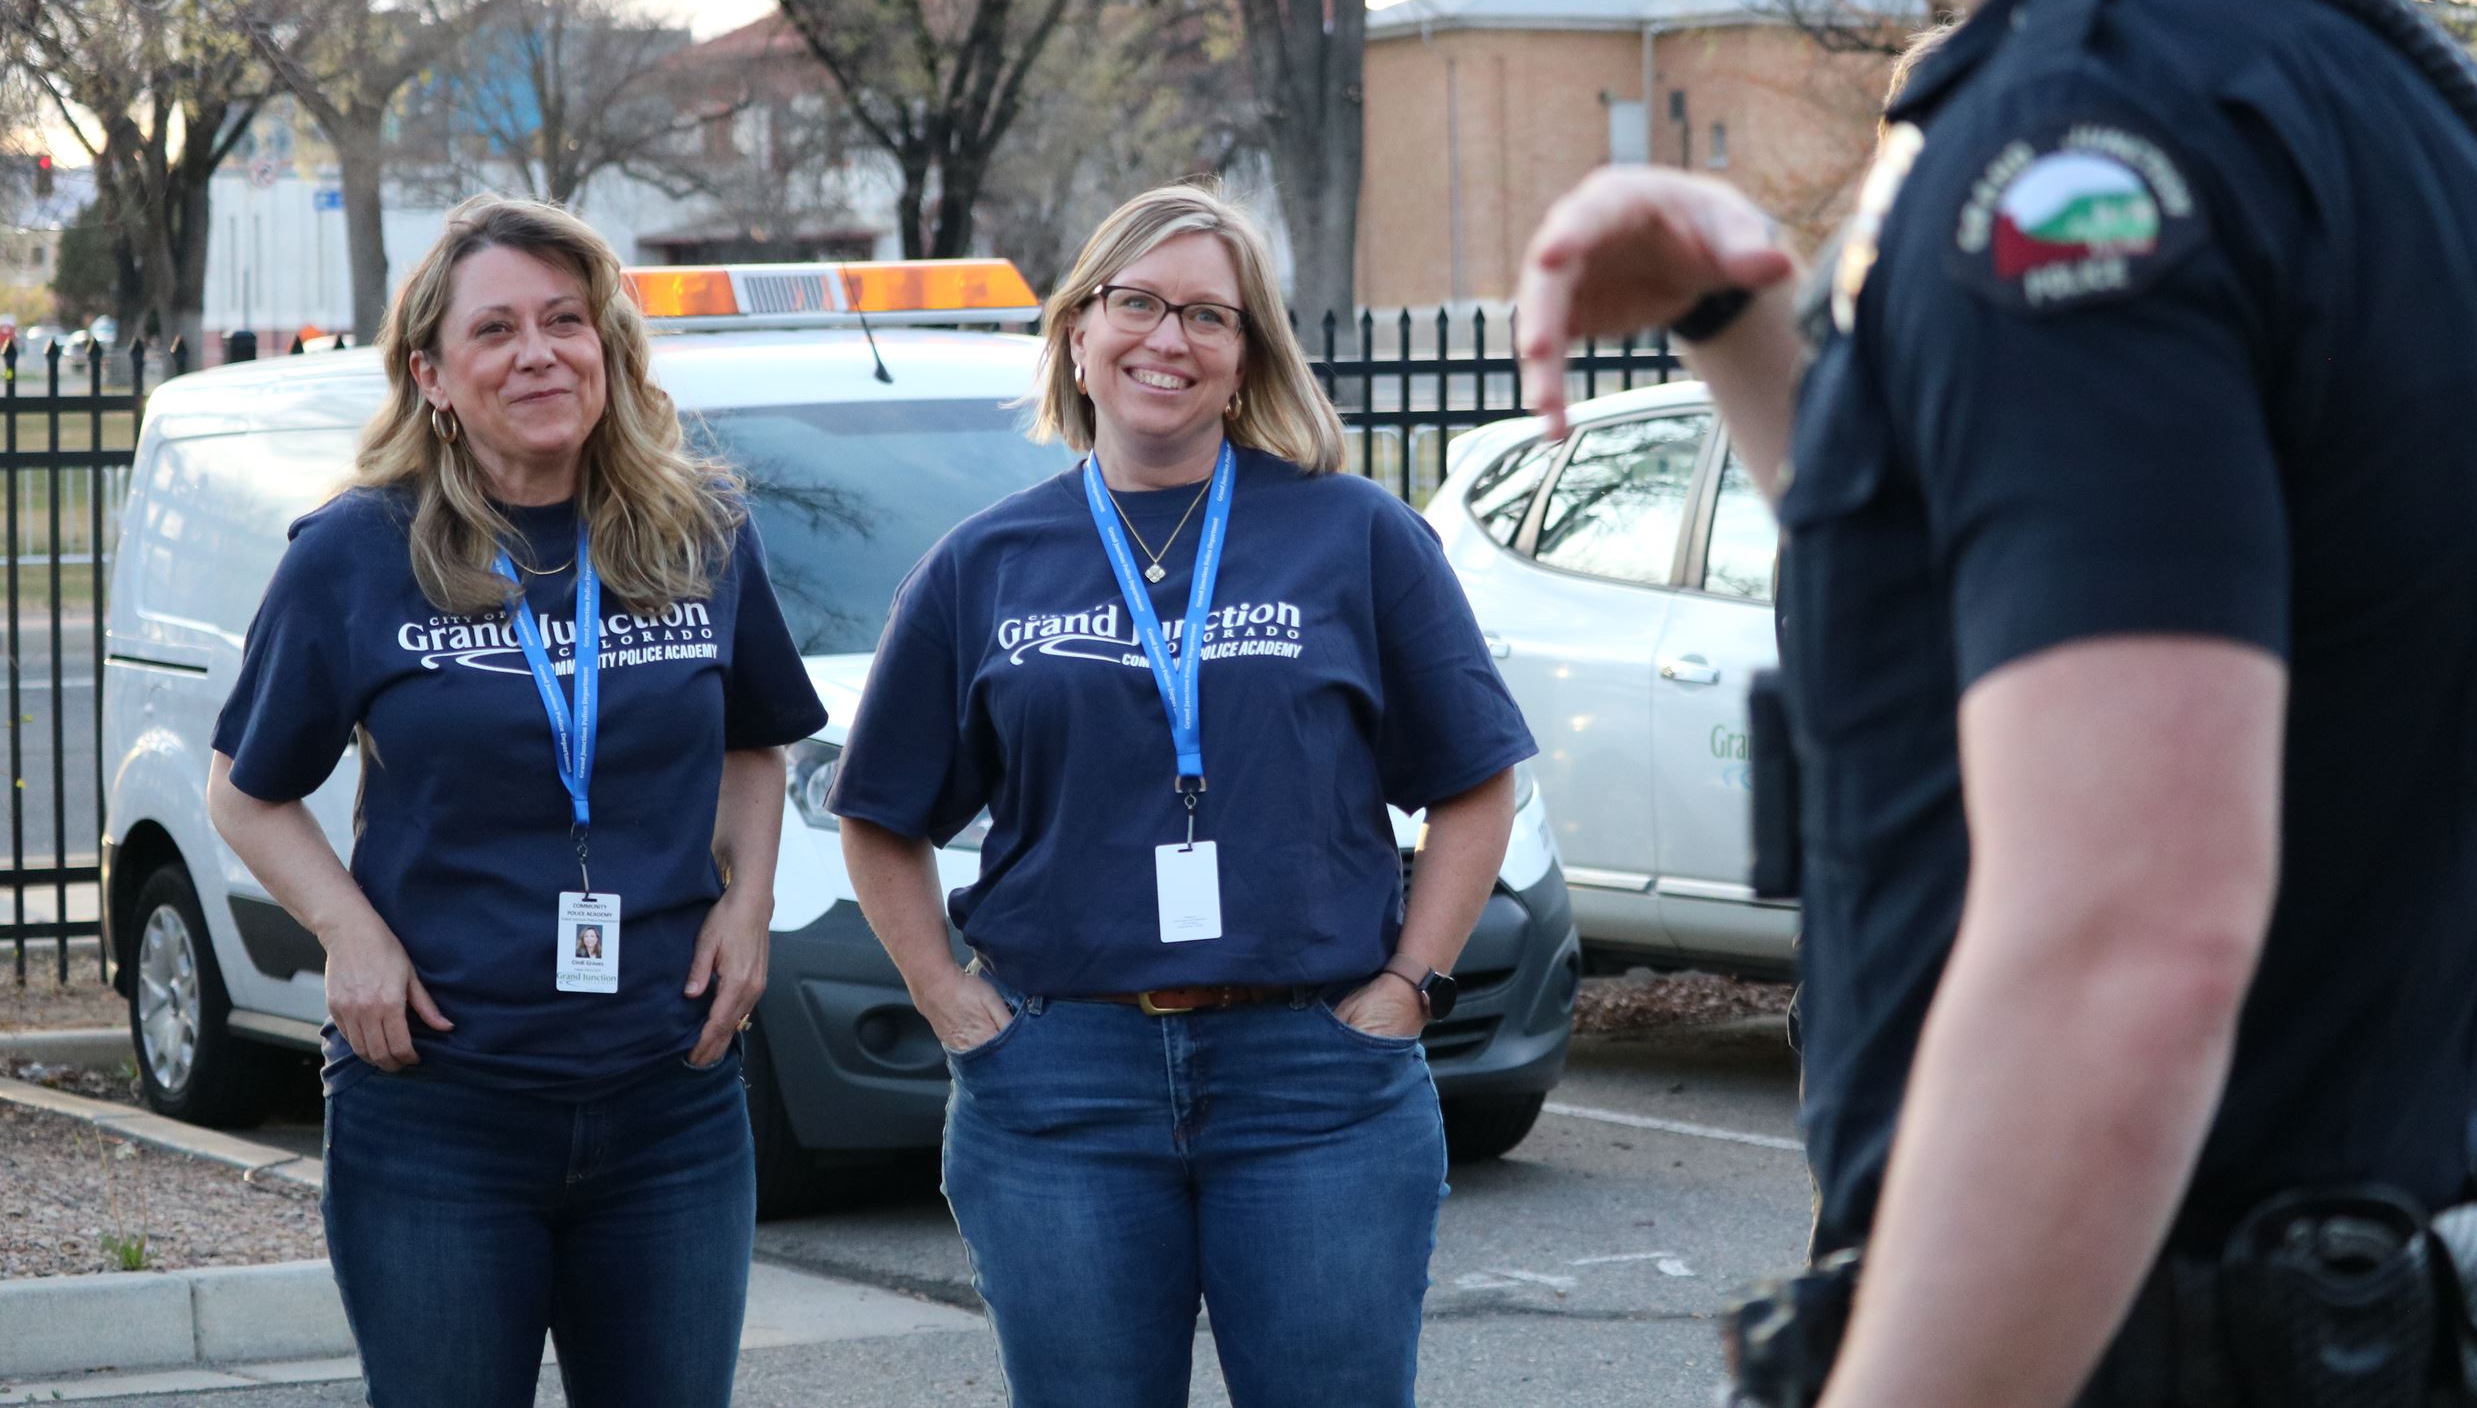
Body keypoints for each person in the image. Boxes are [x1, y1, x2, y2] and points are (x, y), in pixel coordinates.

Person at [1515, 0, 2477, 1404]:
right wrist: (1743, 325)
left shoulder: (2078, 153)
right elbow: (2045, 606)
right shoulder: (2416, 112)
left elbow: (2125, 942)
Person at [833, 182, 1536, 1408]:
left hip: (1315, 1076)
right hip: (1062, 1081)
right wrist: (952, 1006)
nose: (1168, 338)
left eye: (1207, 315)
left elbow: (1476, 783)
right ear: (1076, 331)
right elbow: (880, 815)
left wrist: (1403, 989)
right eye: (1137, 303)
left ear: (1244, 354)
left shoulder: (1355, 534)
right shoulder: (982, 564)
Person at [205, 195, 827, 1408]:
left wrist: (747, 902)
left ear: (607, 346)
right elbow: (247, 791)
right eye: (496, 330)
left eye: (564, 319)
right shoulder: (354, 552)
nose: (539, 351)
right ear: (433, 374)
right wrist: (353, 935)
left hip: (674, 1096)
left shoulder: (698, 532)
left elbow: (756, 739)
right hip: (439, 1103)